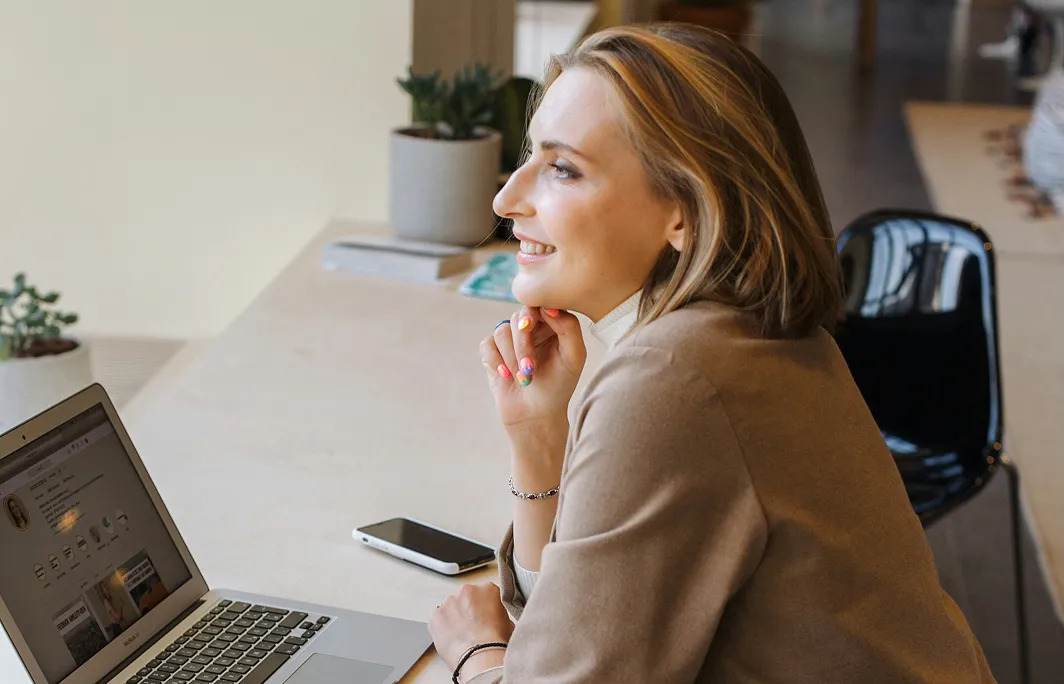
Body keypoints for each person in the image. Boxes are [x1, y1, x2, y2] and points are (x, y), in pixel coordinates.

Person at [428, 24, 996, 684]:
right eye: (532, 157)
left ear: (686, 210)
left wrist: (477, 655)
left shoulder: (676, 377)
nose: (506, 199)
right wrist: (536, 439)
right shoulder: (743, 332)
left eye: (562, 168)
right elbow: (570, 631)